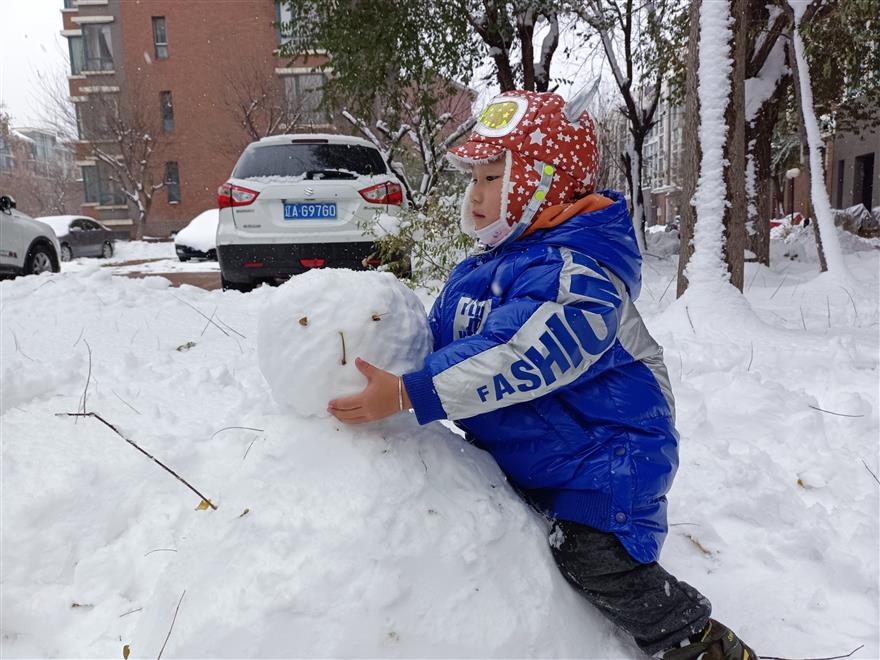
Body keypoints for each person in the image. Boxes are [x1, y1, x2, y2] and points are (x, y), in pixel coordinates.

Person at [328, 90, 756, 659]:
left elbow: (514, 354)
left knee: (592, 559)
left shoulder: (576, 279)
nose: (475, 194)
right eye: (473, 178)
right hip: (549, 454)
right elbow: (453, 339)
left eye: (492, 178)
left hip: (607, 464)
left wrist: (412, 391)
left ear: (542, 183)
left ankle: (692, 638)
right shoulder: (492, 265)